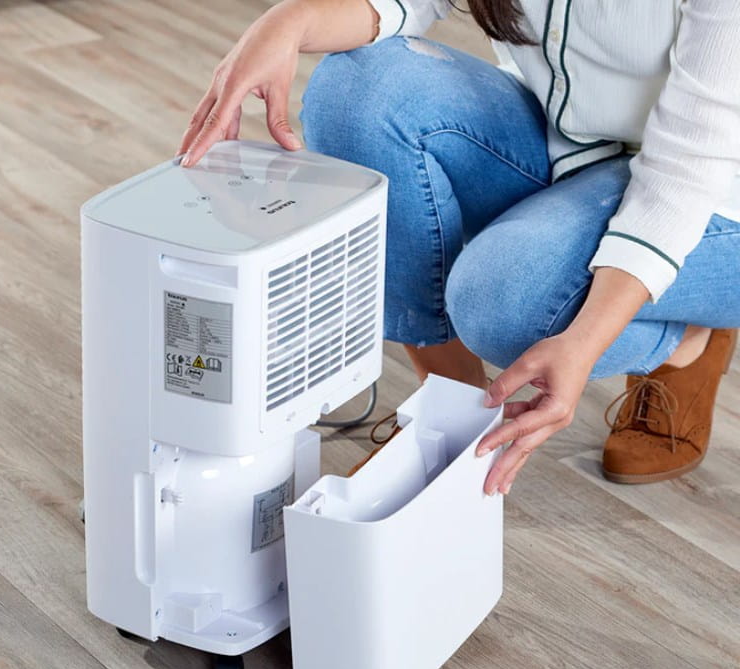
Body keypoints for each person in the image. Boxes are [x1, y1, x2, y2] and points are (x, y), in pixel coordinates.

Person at [178, 0, 740, 496]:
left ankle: (687, 339)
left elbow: (686, 169)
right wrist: (288, 20)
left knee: (506, 307)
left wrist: (588, 337)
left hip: (715, 187)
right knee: (355, 91)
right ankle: (451, 411)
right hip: (579, 150)